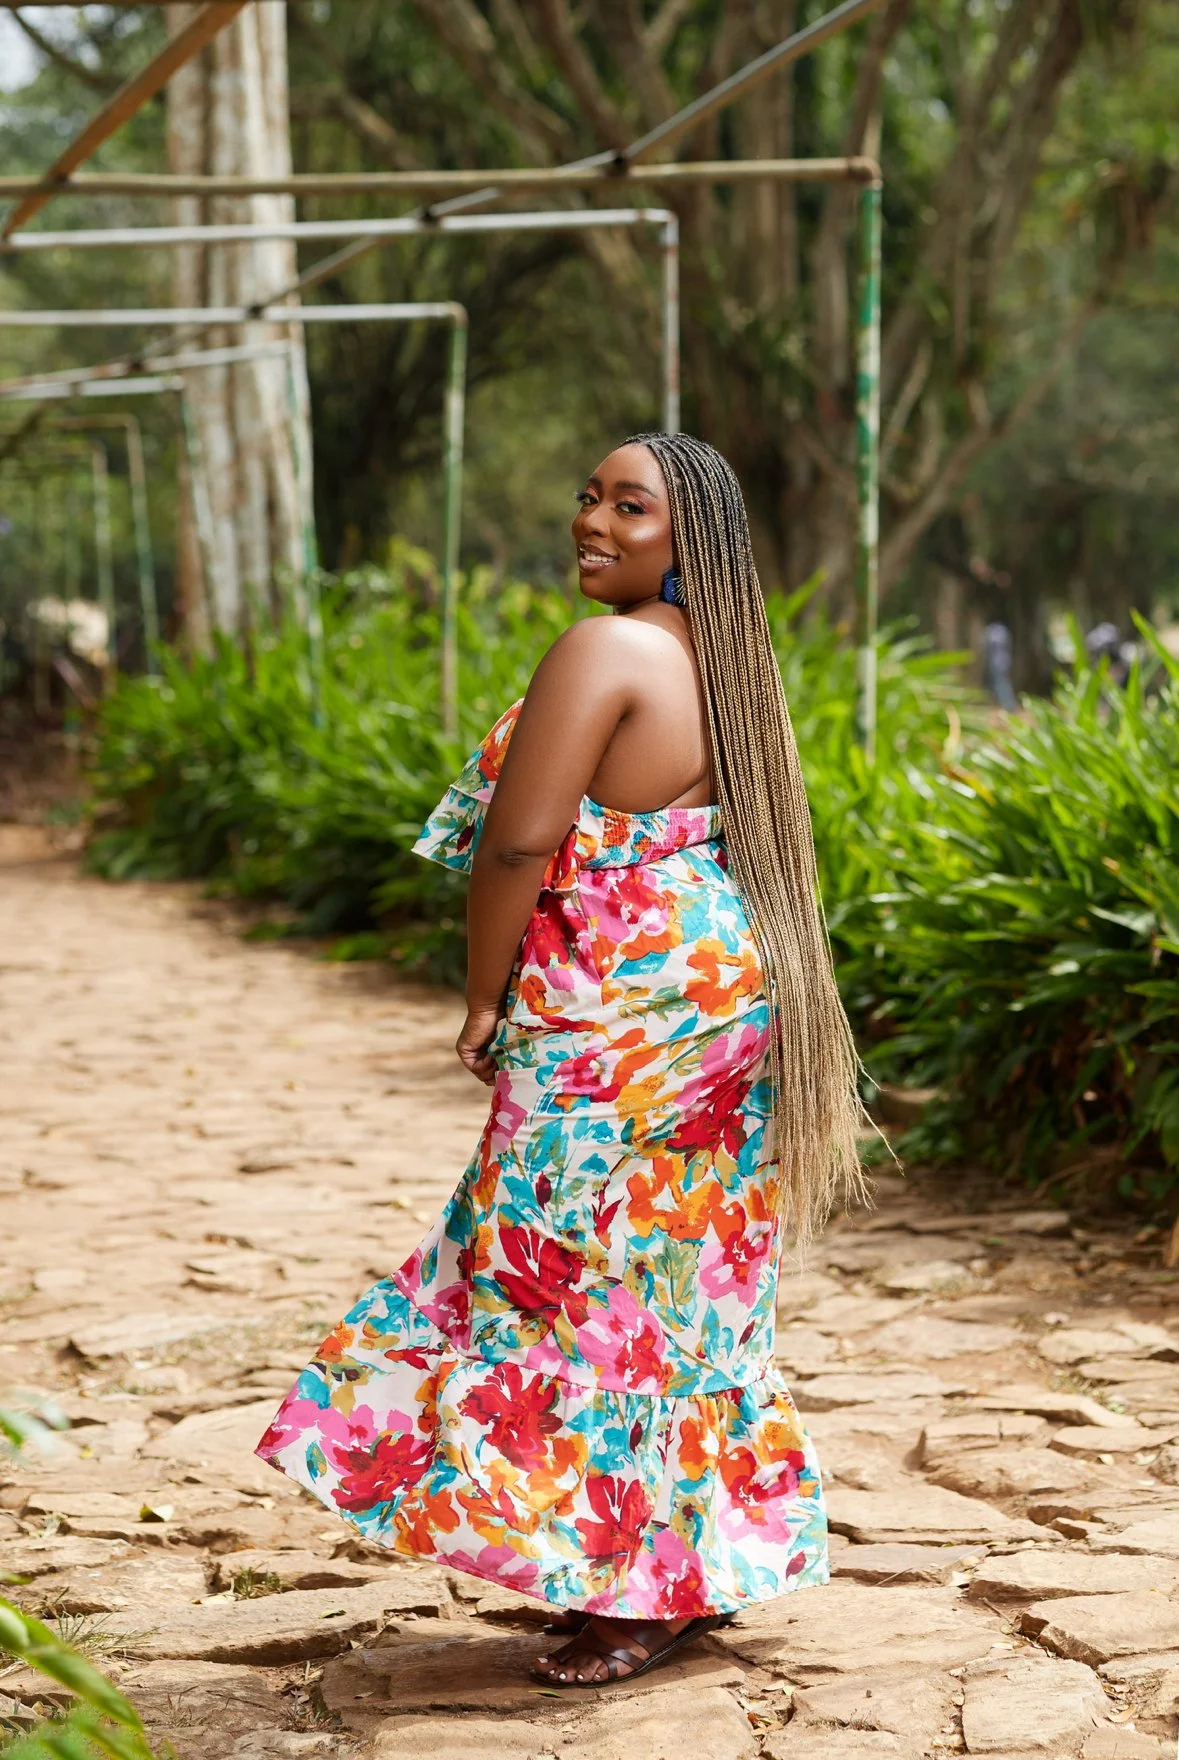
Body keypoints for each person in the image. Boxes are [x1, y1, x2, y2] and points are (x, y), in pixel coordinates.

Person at [257, 433, 866, 1687]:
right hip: (720, 982)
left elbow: (520, 843)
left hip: (616, 1003)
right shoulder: (727, 665)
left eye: (627, 504)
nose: (592, 517)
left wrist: (485, 994)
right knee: (681, 1282)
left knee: (562, 1272)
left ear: (685, 535)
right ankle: (671, 1569)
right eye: (587, 494)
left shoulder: (608, 650)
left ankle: (629, 1589)